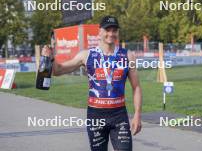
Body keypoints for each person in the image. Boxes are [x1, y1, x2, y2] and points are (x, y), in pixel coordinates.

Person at [42, 15, 142, 151]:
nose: (111, 34)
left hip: (119, 115)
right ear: (99, 31)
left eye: (114, 30)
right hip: (95, 115)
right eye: (107, 30)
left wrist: (137, 114)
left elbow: (136, 87)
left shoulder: (127, 56)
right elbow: (58, 71)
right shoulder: (87, 55)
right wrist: (50, 58)